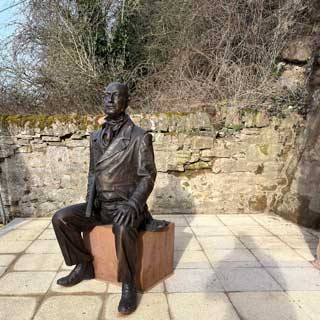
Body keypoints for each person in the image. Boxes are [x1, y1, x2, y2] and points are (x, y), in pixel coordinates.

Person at [52, 82, 167, 315]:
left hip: (126, 205)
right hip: (101, 205)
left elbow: (148, 176)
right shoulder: (96, 136)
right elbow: (93, 173)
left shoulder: (138, 136)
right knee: (61, 218)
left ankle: (128, 284)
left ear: (127, 101)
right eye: (106, 96)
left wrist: (134, 204)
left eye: (116, 96)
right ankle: (83, 264)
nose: (109, 100)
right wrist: (88, 204)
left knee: (123, 229)